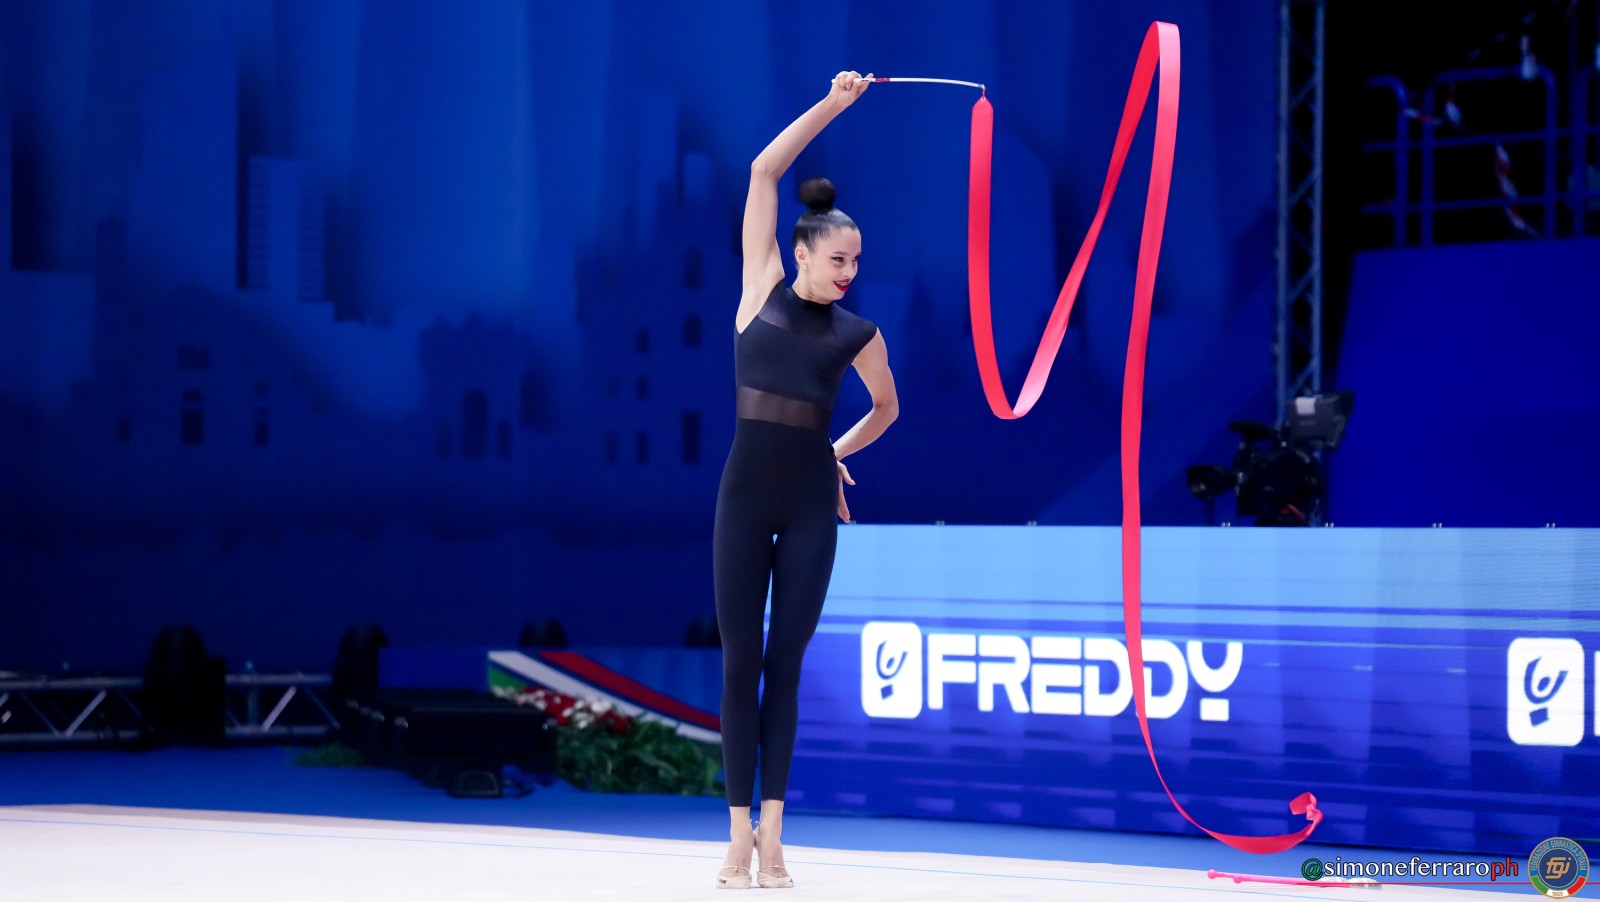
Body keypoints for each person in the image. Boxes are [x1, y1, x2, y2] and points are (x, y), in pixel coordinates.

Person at [714, 70, 898, 890]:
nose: (849, 271)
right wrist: (835, 104)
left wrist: (834, 453)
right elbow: (764, 170)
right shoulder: (757, 288)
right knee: (738, 663)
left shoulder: (858, 333)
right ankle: (737, 836)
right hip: (744, 497)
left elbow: (887, 408)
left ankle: (777, 838)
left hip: (811, 506)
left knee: (784, 665)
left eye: (856, 261)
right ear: (800, 253)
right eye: (837, 258)